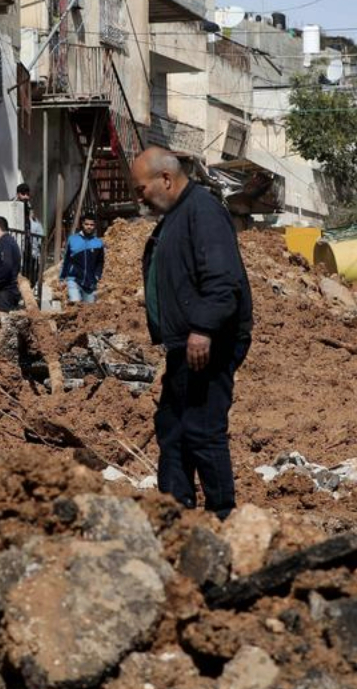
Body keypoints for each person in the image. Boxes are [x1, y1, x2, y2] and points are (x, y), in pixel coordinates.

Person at [131, 147, 253, 520]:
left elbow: (223, 279)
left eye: (141, 189)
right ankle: (175, 512)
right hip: (186, 343)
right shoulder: (177, 217)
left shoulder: (202, 210)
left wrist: (202, 328)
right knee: (173, 427)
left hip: (207, 341)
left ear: (165, 179)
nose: (140, 198)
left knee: (202, 427)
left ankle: (223, 514)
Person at [60, 213, 105, 304]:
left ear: (95, 226)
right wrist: (62, 277)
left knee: (88, 311)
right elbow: (67, 259)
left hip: (90, 282)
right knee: (75, 303)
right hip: (73, 279)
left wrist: (97, 275)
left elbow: (100, 262)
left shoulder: (98, 243)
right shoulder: (73, 240)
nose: (89, 227)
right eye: (87, 224)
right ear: (82, 224)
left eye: (91, 225)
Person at [0, 217, 21, 312]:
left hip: (5, 293)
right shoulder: (8, 242)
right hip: (6, 292)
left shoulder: (5, 243)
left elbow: (7, 265)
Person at [15, 183, 45, 281]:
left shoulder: (28, 207)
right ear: (18, 194)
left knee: (30, 274)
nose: (26, 197)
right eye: (23, 194)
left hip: (29, 246)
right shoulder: (13, 206)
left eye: (28, 194)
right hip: (19, 244)